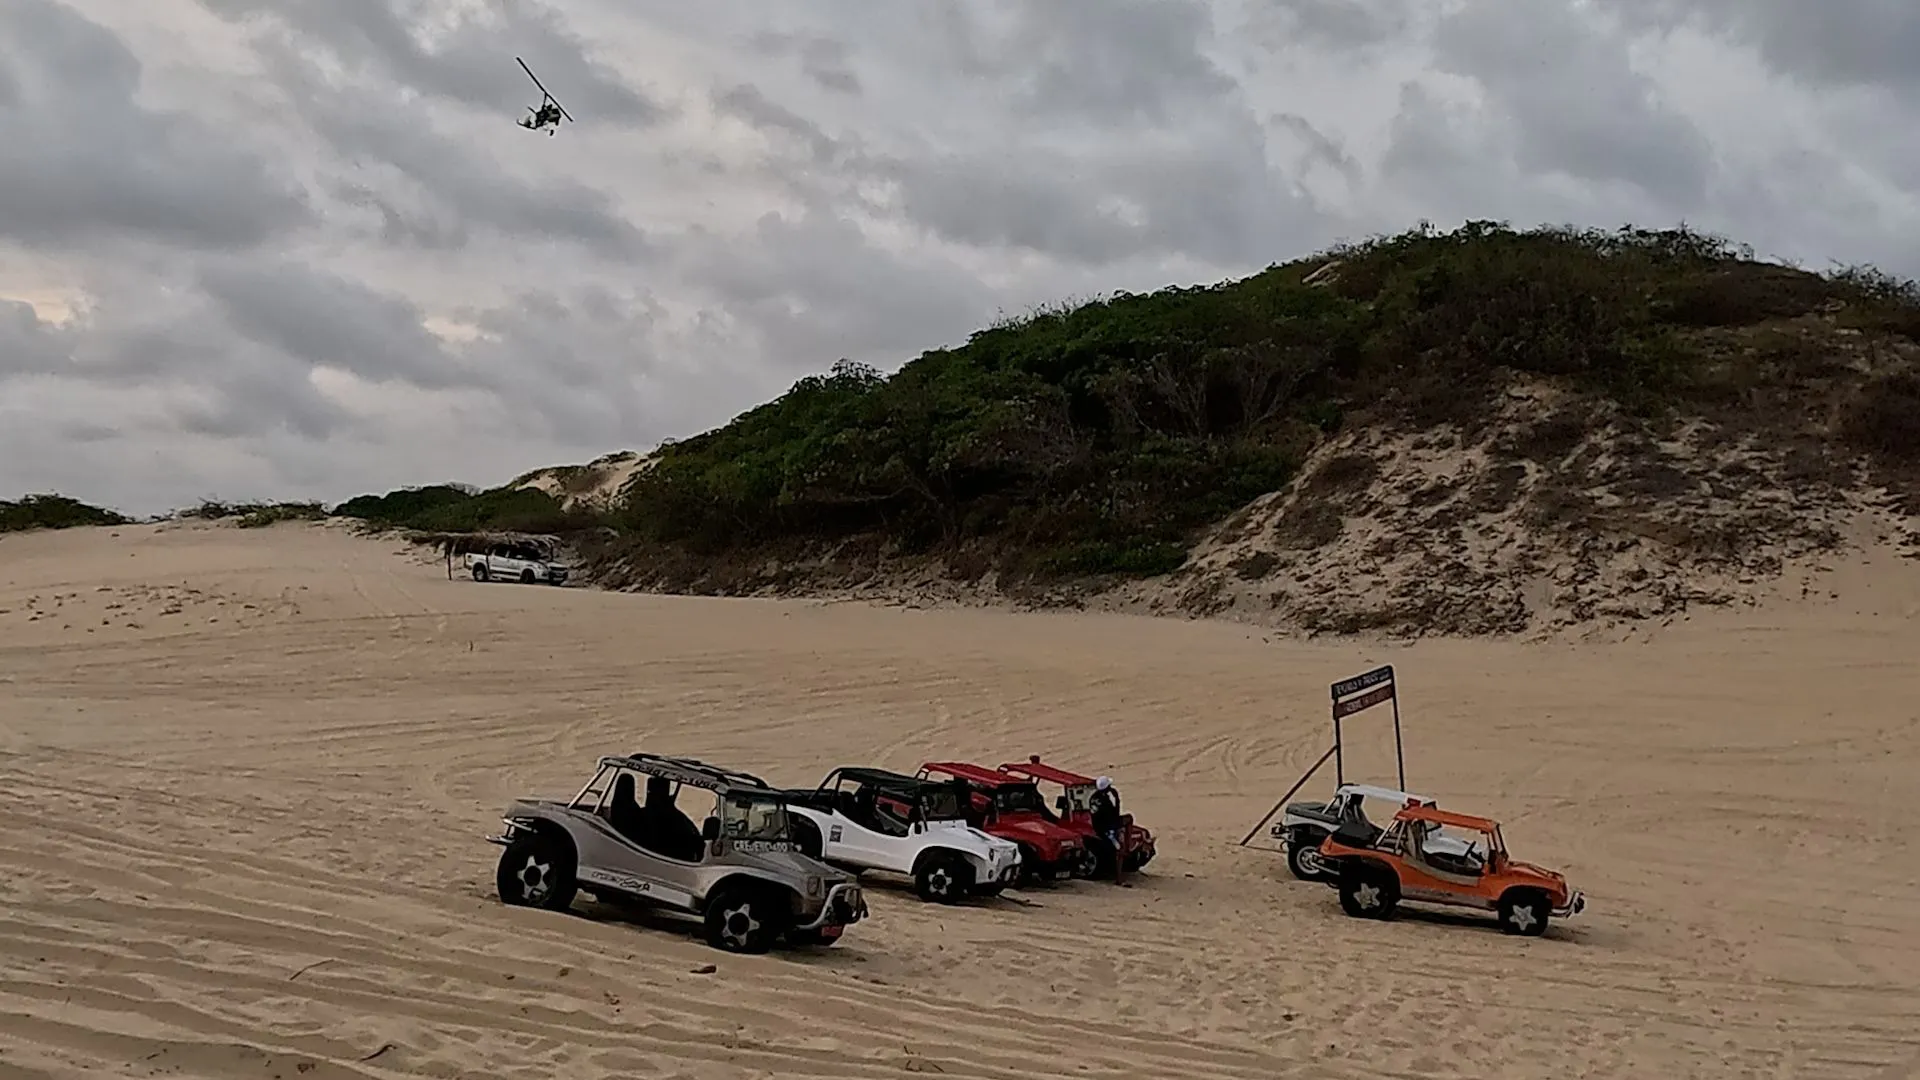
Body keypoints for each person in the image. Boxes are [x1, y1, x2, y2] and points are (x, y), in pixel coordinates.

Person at [1089, 775, 1123, 871]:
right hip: (1106, 828)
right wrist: (1116, 799)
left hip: (1098, 826)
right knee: (1118, 848)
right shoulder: (1105, 800)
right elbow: (1114, 813)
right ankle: (1117, 874)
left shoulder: (1093, 798)